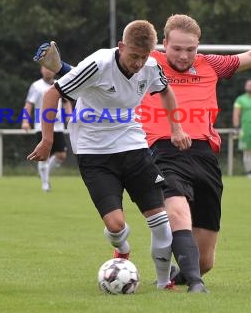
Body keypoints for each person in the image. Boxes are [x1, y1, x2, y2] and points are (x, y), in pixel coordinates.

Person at [37, 15, 251, 291]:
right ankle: (192, 285)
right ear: (164, 45)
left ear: (198, 47)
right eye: (176, 48)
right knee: (174, 212)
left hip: (203, 155)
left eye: (190, 49)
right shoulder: (148, 60)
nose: (183, 55)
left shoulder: (209, 65)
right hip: (159, 149)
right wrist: (61, 67)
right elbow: (105, 77)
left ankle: (184, 277)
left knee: (205, 262)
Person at [28, 20, 192, 291]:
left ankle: (165, 283)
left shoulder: (151, 67)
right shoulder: (98, 64)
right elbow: (51, 94)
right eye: (134, 56)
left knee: (161, 222)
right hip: (95, 153)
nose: (139, 63)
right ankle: (122, 250)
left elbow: (166, 92)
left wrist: (177, 127)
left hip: (134, 147)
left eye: (144, 57)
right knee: (116, 226)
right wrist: (47, 140)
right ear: (121, 46)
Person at [22, 66, 72, 192]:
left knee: (61, 155)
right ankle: (45, 184)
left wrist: (69, 117)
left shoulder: (60, 84)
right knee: (44, 155)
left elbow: (66, 102)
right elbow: (29, 104)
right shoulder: (36, 86)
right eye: (45, 68)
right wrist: (25, 121)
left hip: (58, 126)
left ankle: (44, 174)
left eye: (50, 68)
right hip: (42, 126)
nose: (48, 70)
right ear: (41, 70)